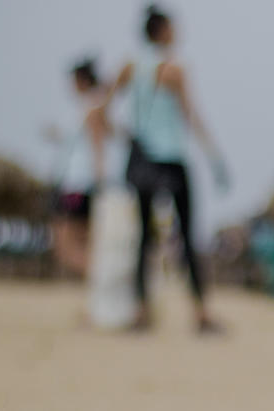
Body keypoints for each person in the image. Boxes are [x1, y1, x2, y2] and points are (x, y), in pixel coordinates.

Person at [104, 5, 228, 334]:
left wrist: (126, 137)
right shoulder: (174, 70)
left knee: (144, 237)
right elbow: (191, 116)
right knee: (186, 235)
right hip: (171, 159)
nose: (178, 33)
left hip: (141, 160)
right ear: (161, 31)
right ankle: (201, 313)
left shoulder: (129, 67)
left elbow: (103, 109)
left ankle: (141, 312)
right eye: (173, 28)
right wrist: (215, 157)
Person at [50, 59, 111, 277]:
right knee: (80, 245)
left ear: (82, 80)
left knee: (66, 246)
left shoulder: (92, 108)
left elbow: (98, 148)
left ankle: (104, 283)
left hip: (77, 184)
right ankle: (102, 293)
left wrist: (100, 182)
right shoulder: (86, 107)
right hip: (74, 183)